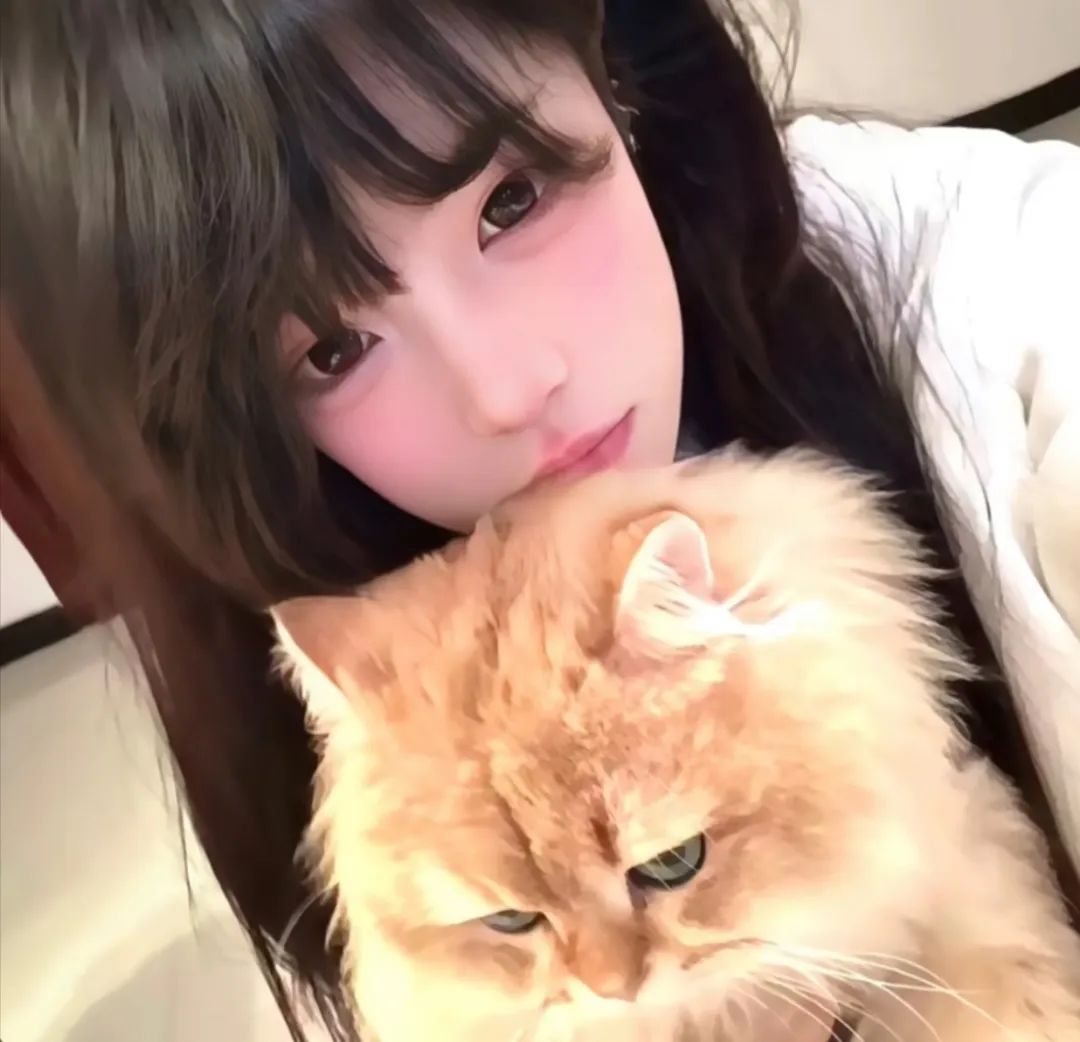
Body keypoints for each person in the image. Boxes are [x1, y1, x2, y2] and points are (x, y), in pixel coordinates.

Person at [1, 0, 1077, 1038]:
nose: (506, 391)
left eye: (510, 202)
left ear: (606, 64)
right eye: (331, 350)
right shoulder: (322, 633)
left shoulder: (1009, 293)